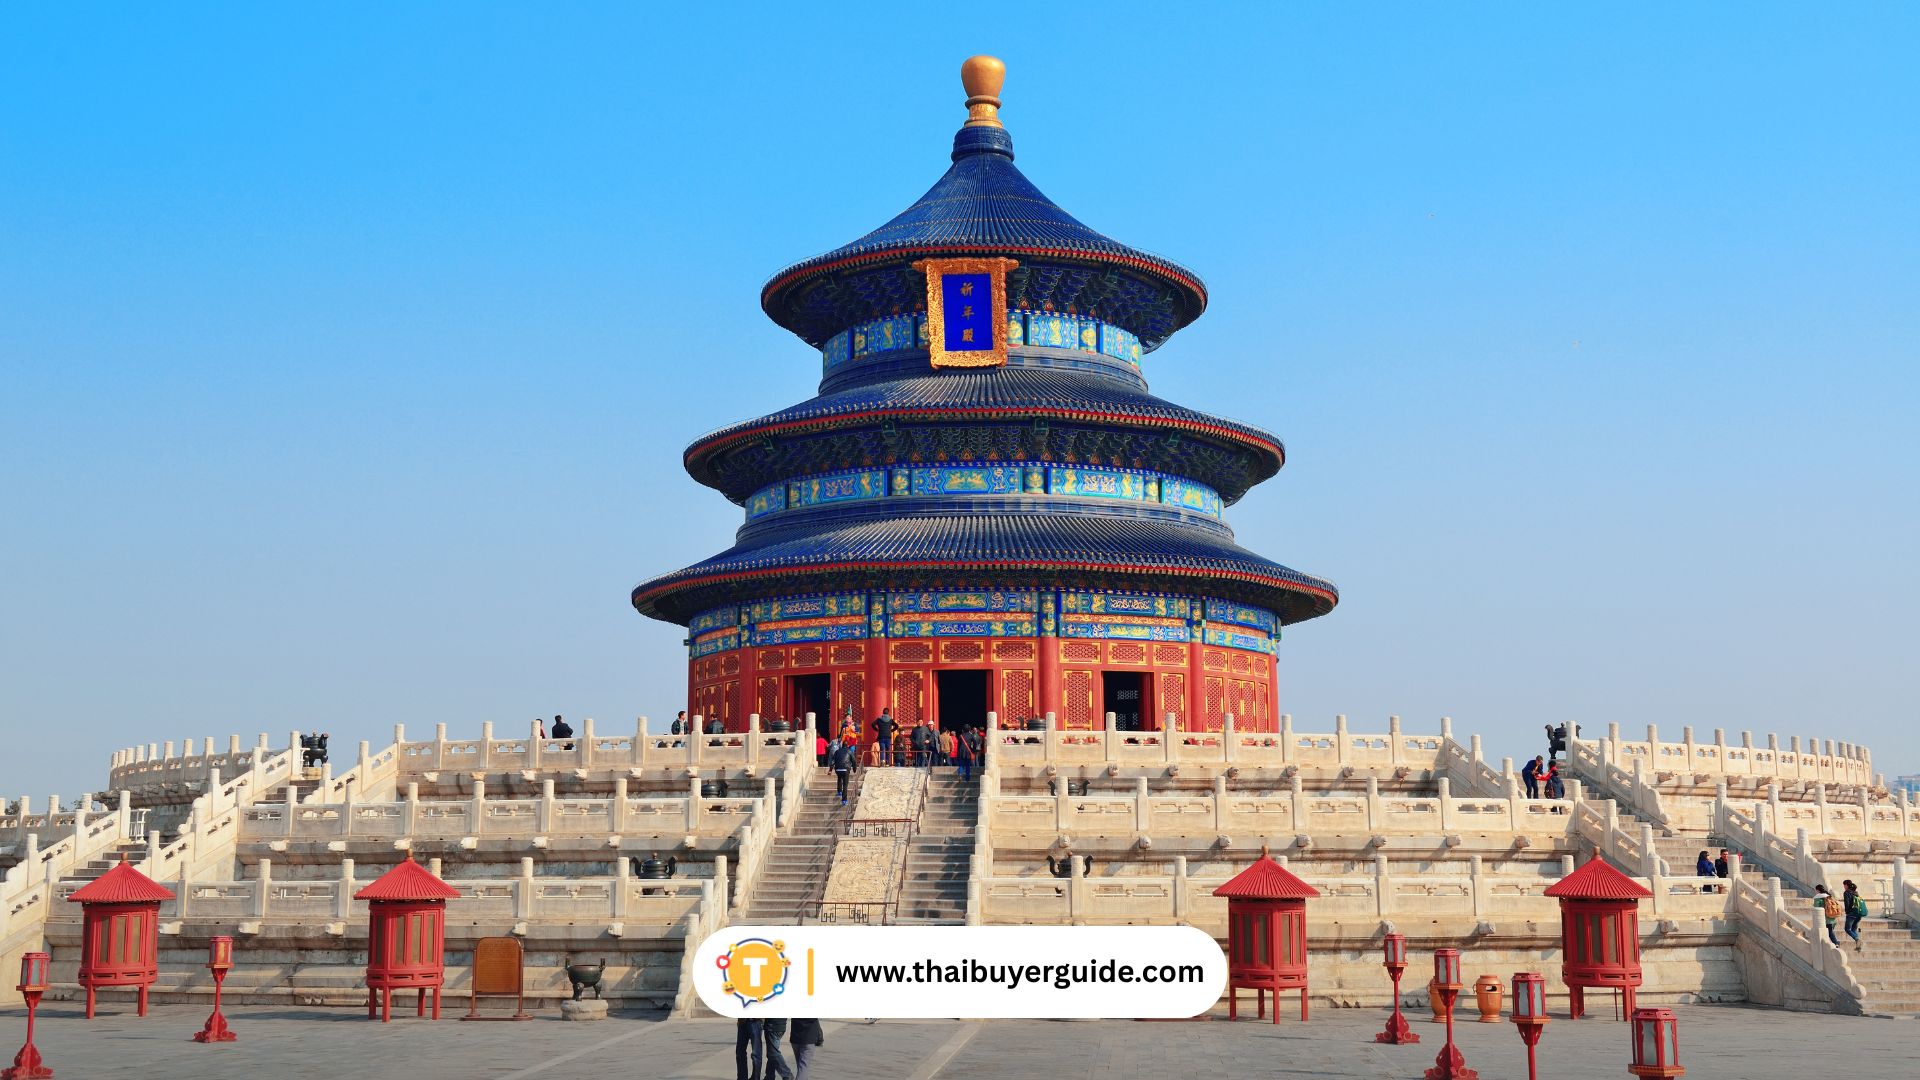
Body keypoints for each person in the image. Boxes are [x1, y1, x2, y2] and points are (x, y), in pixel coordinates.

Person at [736, 1016, 764, 1080]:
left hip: (756, 1021)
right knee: (740, 1052)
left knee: (756, 1053)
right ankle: (742, 1077)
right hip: (742, 1021)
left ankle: (755, 1078)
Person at [1843, 879, 1867, 952]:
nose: (1844, 886)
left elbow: (1847, 903)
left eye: (1844, 885)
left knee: (1847, 929)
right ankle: (1858, 946)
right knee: (1853, 929)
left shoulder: (1847, 892)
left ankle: (1857, 939)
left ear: (1846, 885)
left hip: (1851, 914)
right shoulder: (1856, 892)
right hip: (1858, 914)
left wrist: (1847, 912)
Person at [832, 737, 856, 805]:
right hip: (845, 769)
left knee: (839, 777)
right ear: (847, 746)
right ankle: (844, 800)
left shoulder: (837, 751)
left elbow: (833, 760)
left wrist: (831, 769)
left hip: (837, 769)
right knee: (845, 784)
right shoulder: (849, 751)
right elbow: (854, 761)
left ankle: (839, 791)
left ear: (842, 745)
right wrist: (854, 769)